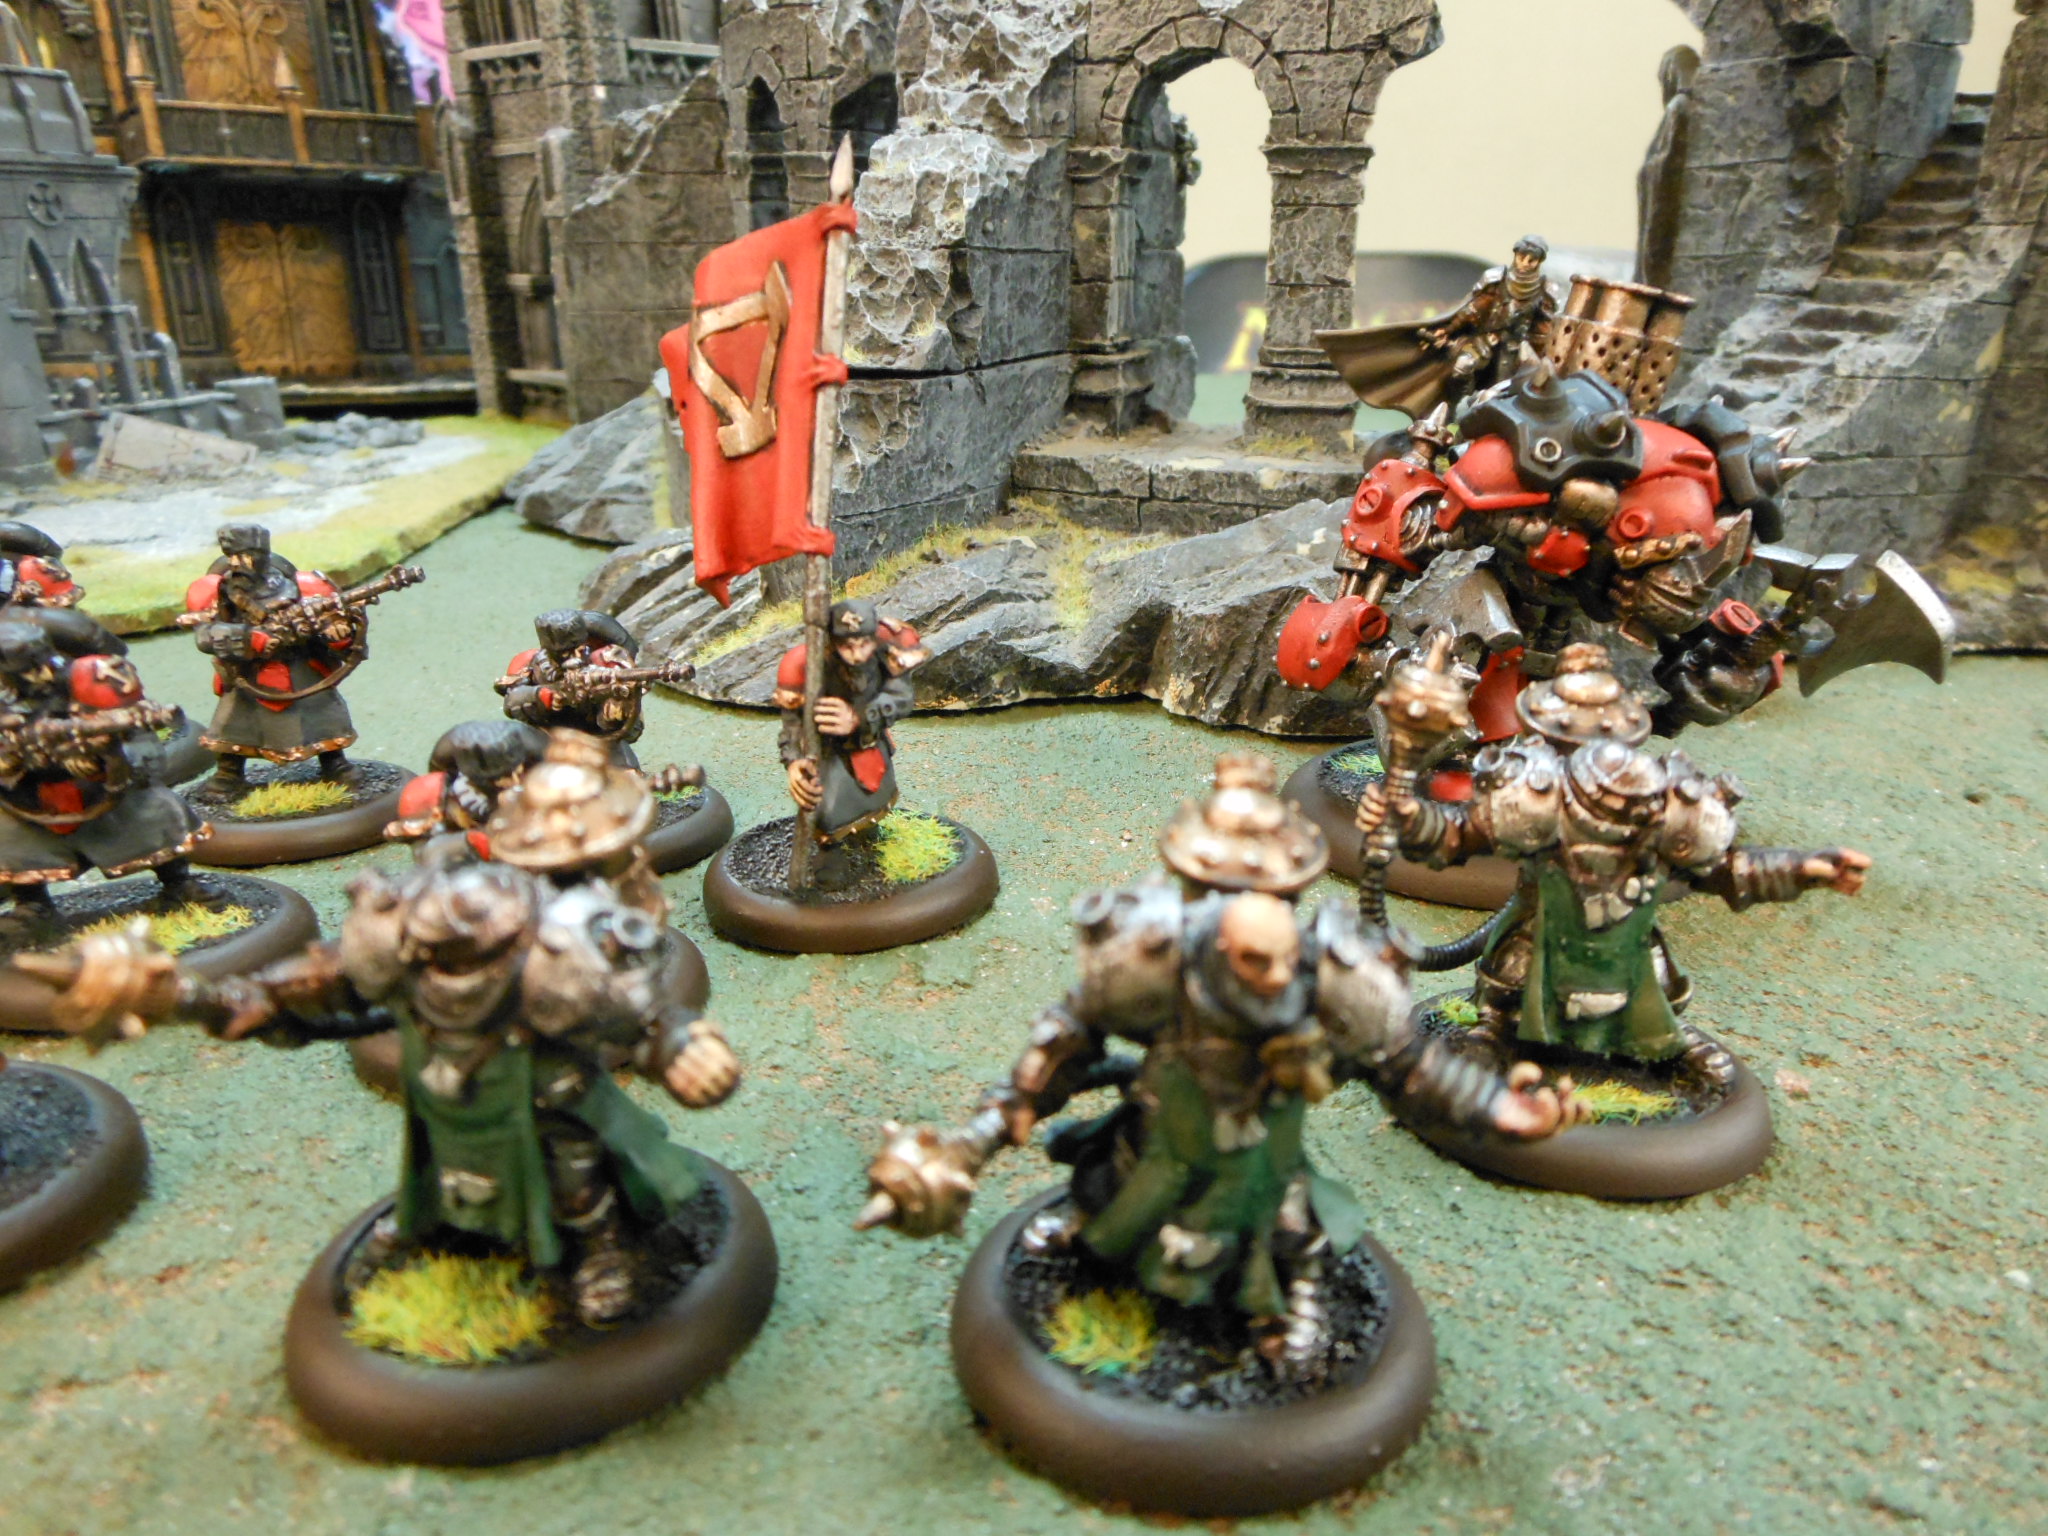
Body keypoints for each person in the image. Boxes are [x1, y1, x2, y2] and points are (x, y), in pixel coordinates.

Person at [0, 619, 207, 919]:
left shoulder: (90, 678)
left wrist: (112, 757)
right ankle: (32, 905)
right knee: (12, 841)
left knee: (151, 814)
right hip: (25, 791)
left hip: (100, 783)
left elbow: (140, 739)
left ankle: (178, 882)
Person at [184, 524, 361, 794]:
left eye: (245, 555)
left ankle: (334, 763)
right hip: (249, 671)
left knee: (322, 713)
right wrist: (250, 639)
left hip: (298, 665)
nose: (238, 563)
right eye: (233, 556)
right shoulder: (221, 592)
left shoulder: (297, 586)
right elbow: (206, 635)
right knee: (235, 722)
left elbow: (328, 623)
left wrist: (337, 633)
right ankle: (229, 773)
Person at [776, 598, 925, 883]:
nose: (857, 654)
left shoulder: (887, 650)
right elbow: (791, 724)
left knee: (877, 794)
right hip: (828, 752)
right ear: (833, 642)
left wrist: (859, 717)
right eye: (848, 646)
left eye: (863, 644)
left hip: (869, 741)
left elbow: (902, 698)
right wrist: (793, 761)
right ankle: (830, 856)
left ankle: (869, 834)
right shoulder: (807, 664)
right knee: (827, 807)